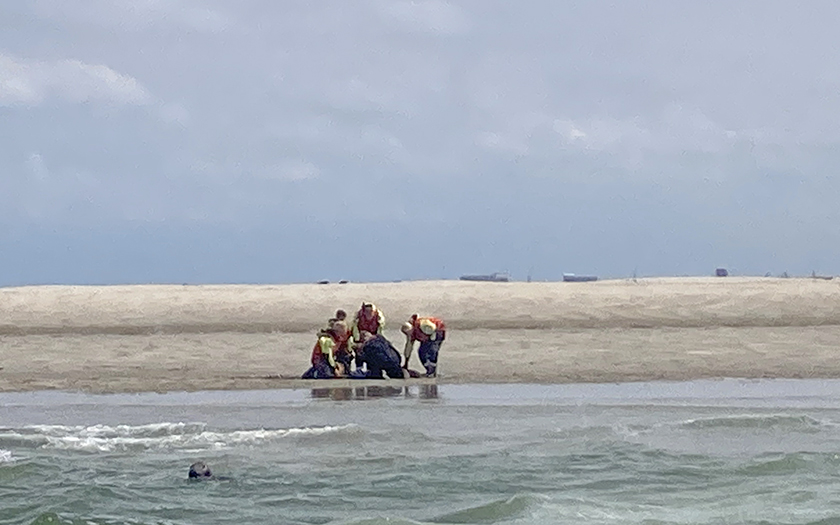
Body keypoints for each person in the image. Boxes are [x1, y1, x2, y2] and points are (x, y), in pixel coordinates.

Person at [349, 302, 385, 368]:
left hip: (373, 337)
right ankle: (359, 368)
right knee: (359, 352)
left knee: (373, 354)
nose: (368, 313)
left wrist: (374, 338)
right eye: (366, 311)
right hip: (360, 337)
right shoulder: (358, 316)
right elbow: (354, 328)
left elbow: (380, 331)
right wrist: (357, 341)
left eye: (370, 311)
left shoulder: (379, 317)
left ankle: (372, 368)